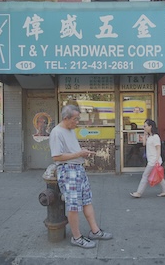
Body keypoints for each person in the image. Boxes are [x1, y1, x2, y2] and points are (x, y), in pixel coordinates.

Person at [49, 105, 113, 249]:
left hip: (78, 169)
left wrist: (81, 152)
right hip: (68, 170)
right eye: (75, 119)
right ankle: (77, 237)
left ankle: (95, 230)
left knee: (87, 201)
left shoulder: (70, 130)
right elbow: (57, 156)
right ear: (66, 118)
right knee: (73, 206)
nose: (77, 122)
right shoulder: (57, 132)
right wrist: (79, 154)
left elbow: (71, 150)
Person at [130, 119, 165, 198]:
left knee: (145, 175)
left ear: (150, 126)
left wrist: (157, 160)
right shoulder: (150, 136)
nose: (144, 127)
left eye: (145, 126)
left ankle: (139, 192)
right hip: (152, 160)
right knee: (159, 176)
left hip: (153, 160)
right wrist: (144, 135)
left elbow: (158, 149)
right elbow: (144, 144)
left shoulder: (155, 137)